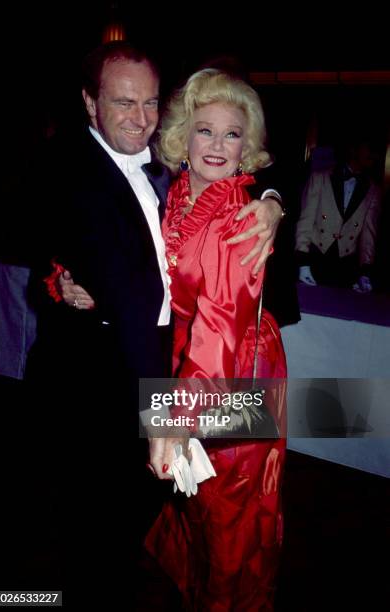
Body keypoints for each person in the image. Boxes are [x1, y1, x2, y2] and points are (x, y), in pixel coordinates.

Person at [24, 41, 285, 601]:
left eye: (149, 105)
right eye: (124, 104)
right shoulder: (78, 169)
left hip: (229, 372)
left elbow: (217, 324)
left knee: (230, 510)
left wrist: (269, 198)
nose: (140, 121)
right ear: (90, 103)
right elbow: (49, 256)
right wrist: (57, 282)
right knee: (179, 512)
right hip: (131, 374)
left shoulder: (193, 185)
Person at [136, 68, 287, 611]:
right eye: (206, 130)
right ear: (183, 136)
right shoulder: (178, 192)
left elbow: (221, 329)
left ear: (248, 147)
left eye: (232, 134)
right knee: (195, 498)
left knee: (230, 499)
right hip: (190, 358)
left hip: (238, 367)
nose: (218, 145)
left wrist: (173, 419)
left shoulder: (237, 218)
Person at [296, 140, 382, 291]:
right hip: (315, 258)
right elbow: (305, 221)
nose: (373, 154)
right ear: (354, 149)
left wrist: (365, 272)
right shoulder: (320, 178)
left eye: (375, 151)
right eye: (368, 148)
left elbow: (369, 234)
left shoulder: (372, 190)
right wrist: (302, 262)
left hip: (345, 266)